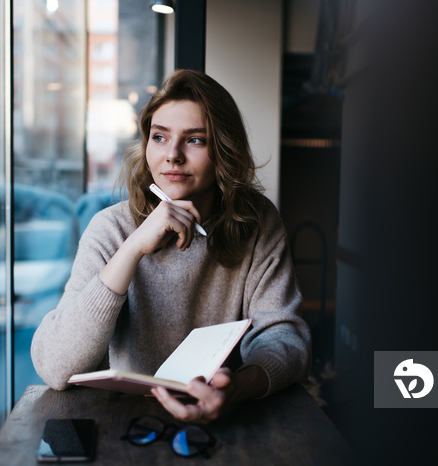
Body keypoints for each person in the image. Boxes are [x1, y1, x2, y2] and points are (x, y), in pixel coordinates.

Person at [31, 69, 311, 423]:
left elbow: (285, 336)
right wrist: (131, 250)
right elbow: (54, 366)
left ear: (224, 150)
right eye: (160, 137)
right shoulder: (110, 228)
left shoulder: (256, 223)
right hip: (126, 423)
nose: (173, 155)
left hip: (227, 419)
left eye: (195, 140)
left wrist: (236, 386)